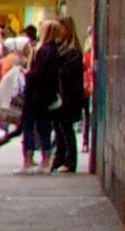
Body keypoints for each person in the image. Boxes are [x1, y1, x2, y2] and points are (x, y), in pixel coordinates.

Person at [24, 17, 86, 172]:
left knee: (65, 128)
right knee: (59, 128)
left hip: (68, 95)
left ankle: (69, 161)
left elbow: (65, 72)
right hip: (61, 94)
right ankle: (59, 159)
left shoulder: (72, 51)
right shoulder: (61, 49)